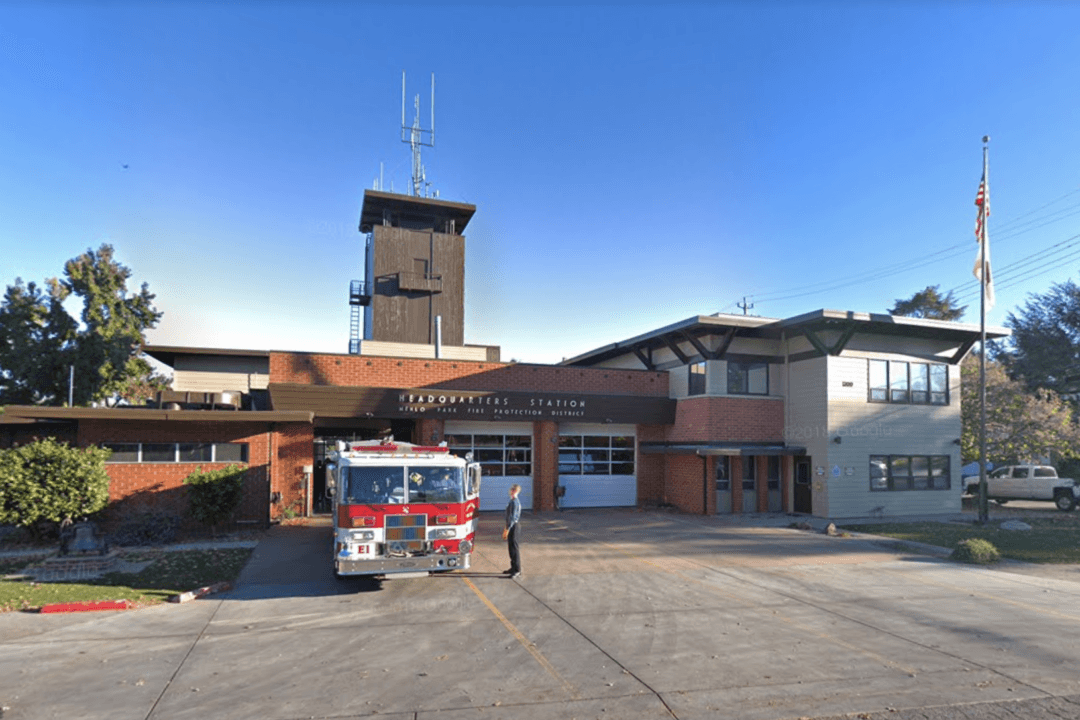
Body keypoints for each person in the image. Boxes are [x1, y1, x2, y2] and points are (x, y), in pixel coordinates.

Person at [501, 484, 522, 579]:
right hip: (510, 525)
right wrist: (507, 526)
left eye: (514, 490)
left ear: (517, 491)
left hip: (514, 526)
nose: (512, 491)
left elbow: (513, 518)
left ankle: (517, 570)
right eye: (511, 490)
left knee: (514, 548)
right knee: (510, 547)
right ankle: (513, 567)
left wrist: (508, 529)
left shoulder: (515, 502)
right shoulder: (512, 501)